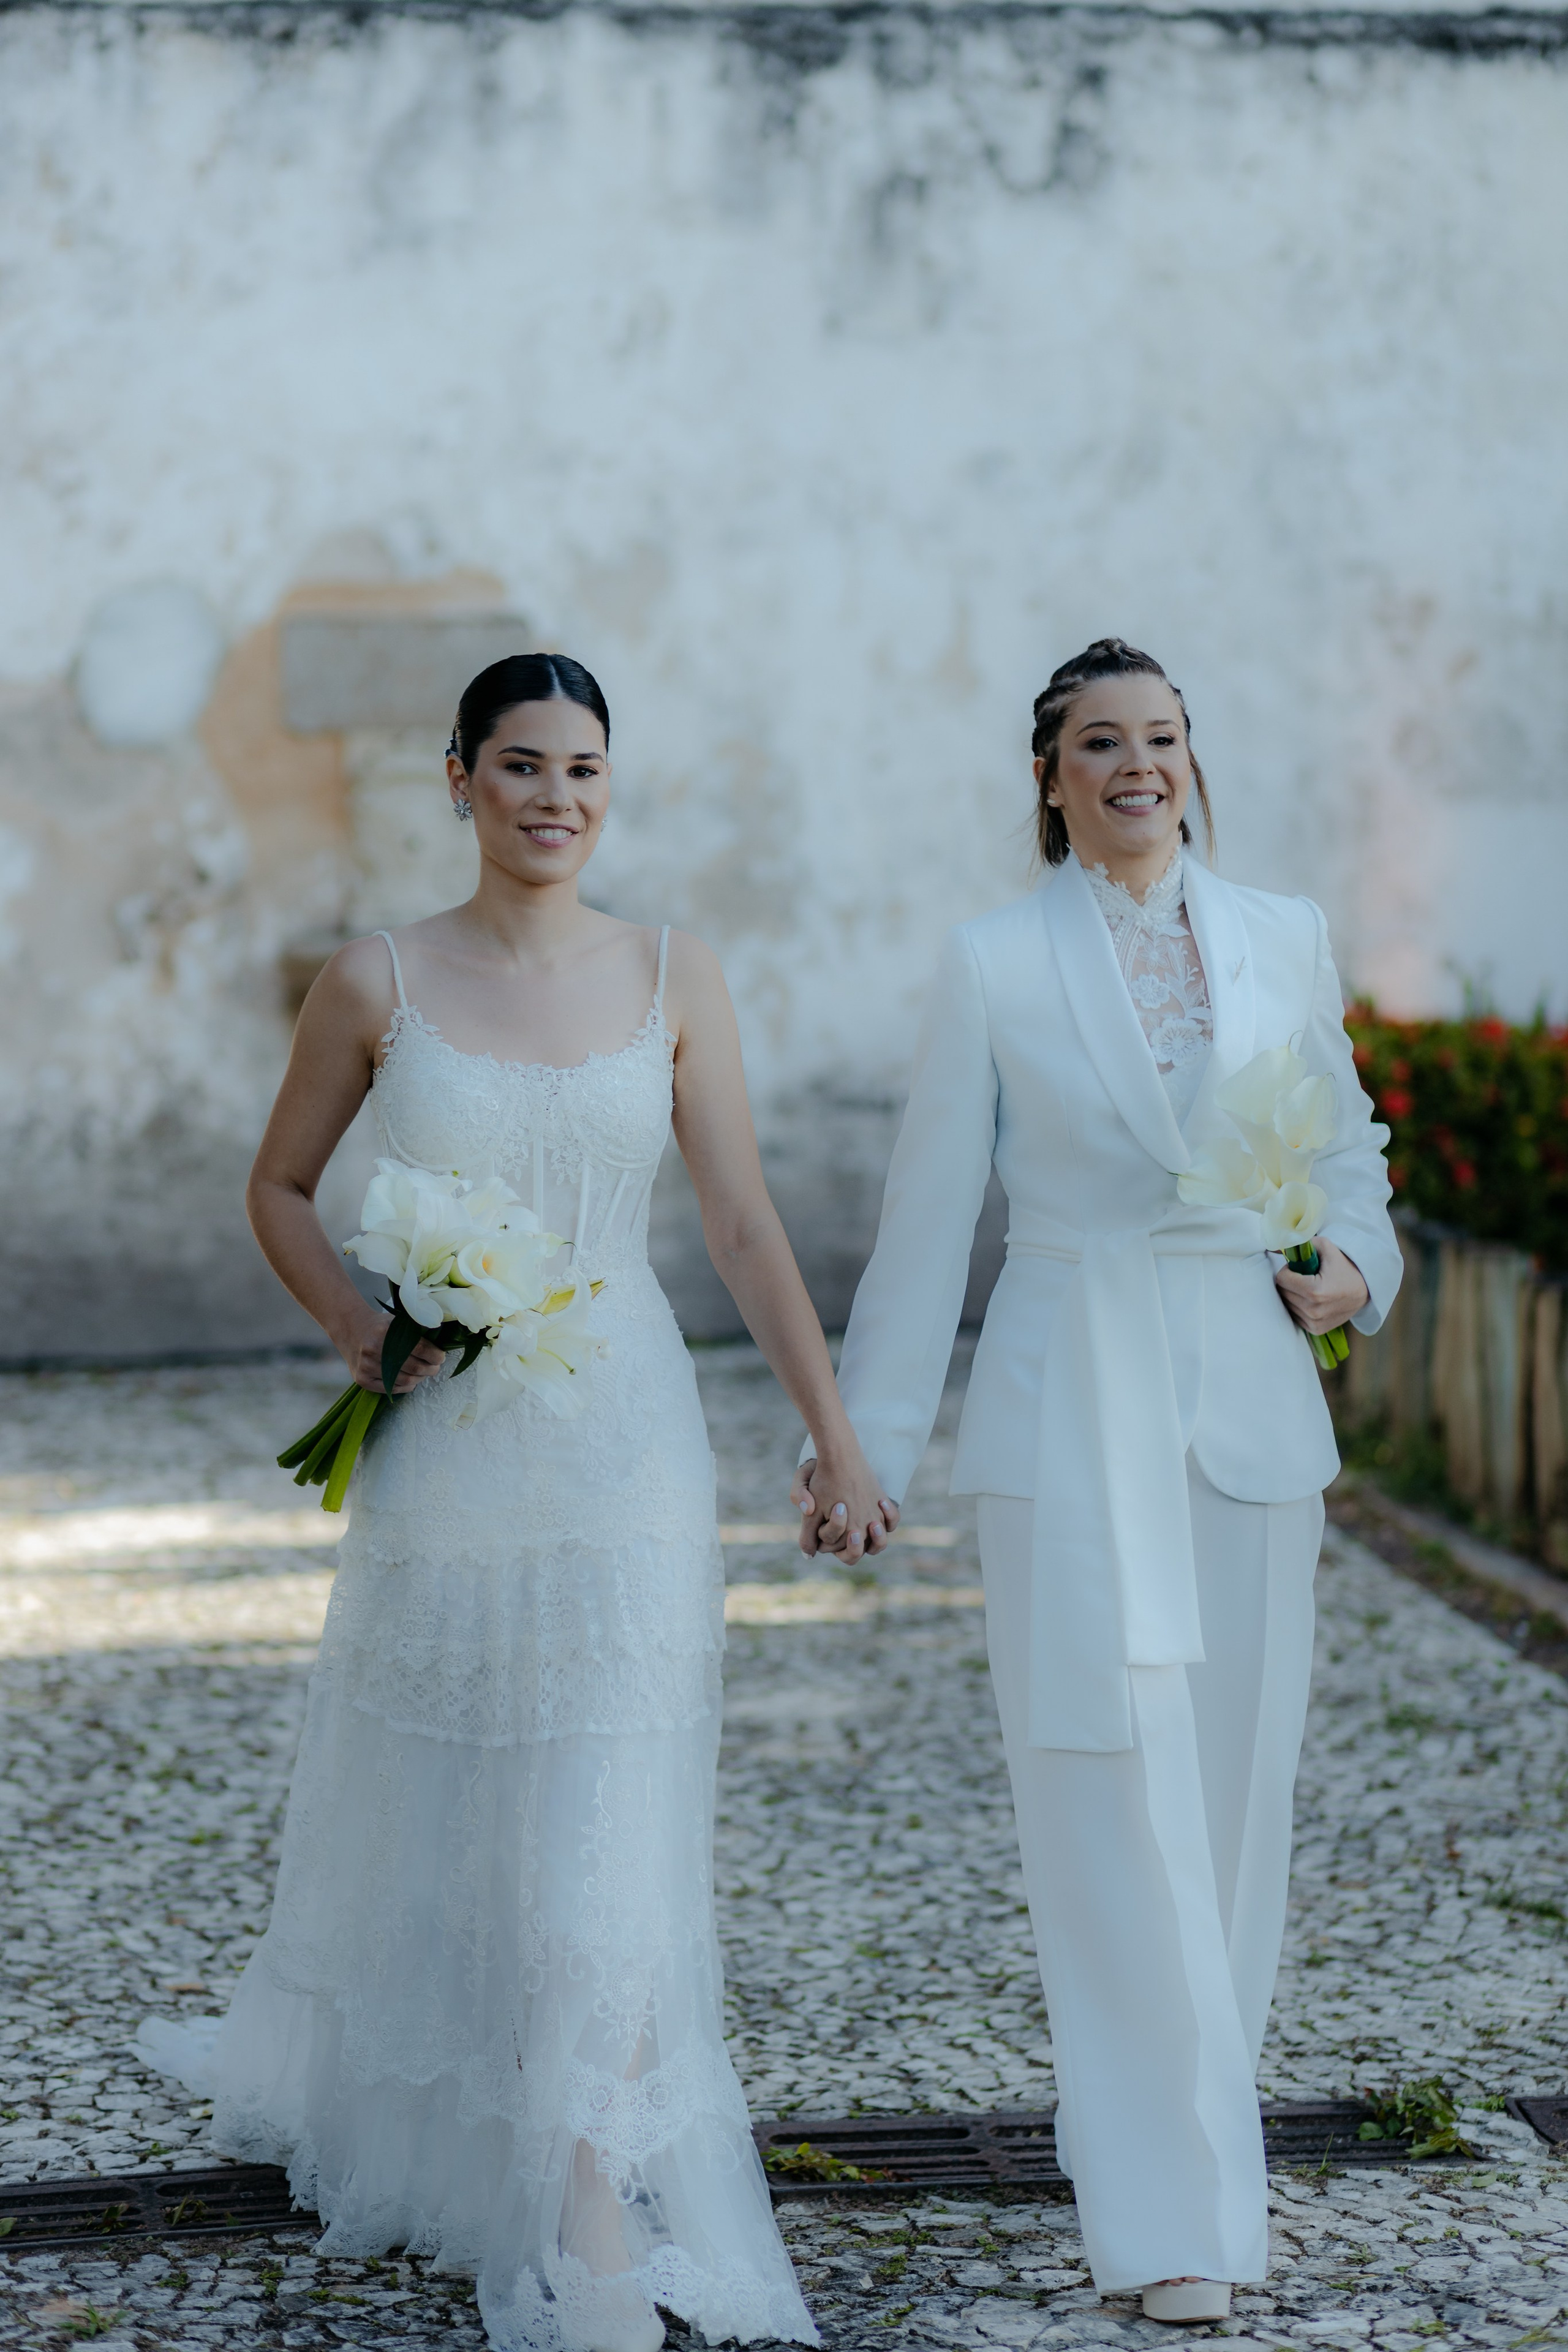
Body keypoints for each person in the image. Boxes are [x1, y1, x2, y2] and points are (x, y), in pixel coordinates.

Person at [137, 652, 891, 2352]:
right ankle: (476, 2131)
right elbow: (277, 1183)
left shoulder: (673, 972)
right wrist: (354, 1324)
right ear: (461, 778)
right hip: (456, 1457)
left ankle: (585, 2198)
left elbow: (747, 1223)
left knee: (607, 1814)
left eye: (589, 771)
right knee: (468, 1812)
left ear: (611, 791)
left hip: (629, 1444)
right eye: (526, 766)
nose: (559, 798)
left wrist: (836, 1439)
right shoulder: (375, 977)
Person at [793, 638, 1400, 2324]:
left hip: (1253, 1412)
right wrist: (868, 1445)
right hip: (1072, 1417)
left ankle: (1189, 2138)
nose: (1139, 765)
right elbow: (928, 1229)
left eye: (1164, 737)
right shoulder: (994, 963)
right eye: (1100, 742)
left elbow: (1350, 1149)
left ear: (1194, 761)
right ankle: (1169, 2216)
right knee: (1105, 1813)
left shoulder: (1284, 934)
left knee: (1230, 1813)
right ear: (1050, 776)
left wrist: (1361, 1261)